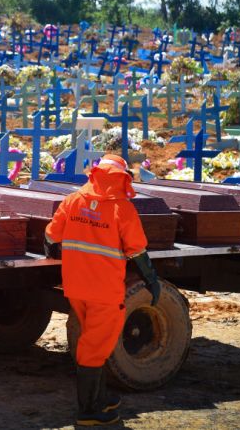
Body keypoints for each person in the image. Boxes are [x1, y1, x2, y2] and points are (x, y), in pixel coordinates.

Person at [44, 154, 161, 427]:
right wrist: (151, 280)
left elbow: (51, 236)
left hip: (75, 288)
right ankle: (88, 412)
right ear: (121, 178)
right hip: (104, 292)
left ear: (95, 174)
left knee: (94, 342)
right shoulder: (122, 209)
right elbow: (137, 251)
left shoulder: (73, 201)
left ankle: (99, 398)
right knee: (95, 348)